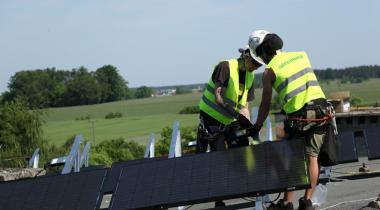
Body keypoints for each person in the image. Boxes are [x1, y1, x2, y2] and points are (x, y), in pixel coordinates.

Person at [248, 30, 332, 210]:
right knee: (312, 157)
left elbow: (265, 103)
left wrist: (257, 125)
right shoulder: (302, 55)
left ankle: (286, 203)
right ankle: (307, 201)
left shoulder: (269, 72)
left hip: (299, 116)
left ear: (261, 52)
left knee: (291, 159)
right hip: (322, 110)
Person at [197, 46, 262, 207]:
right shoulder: (225, 67)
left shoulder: (250, 76)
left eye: (259, 65)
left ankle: (250, 187)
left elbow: (244, 104)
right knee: (218, 156)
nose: (256, 66)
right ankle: (218, 199)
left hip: (231, 119)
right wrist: (236, 115)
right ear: (245, 56)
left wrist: (248, 127)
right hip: (212, 119)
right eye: (254, 62)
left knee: (243, 149)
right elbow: (218, 96)